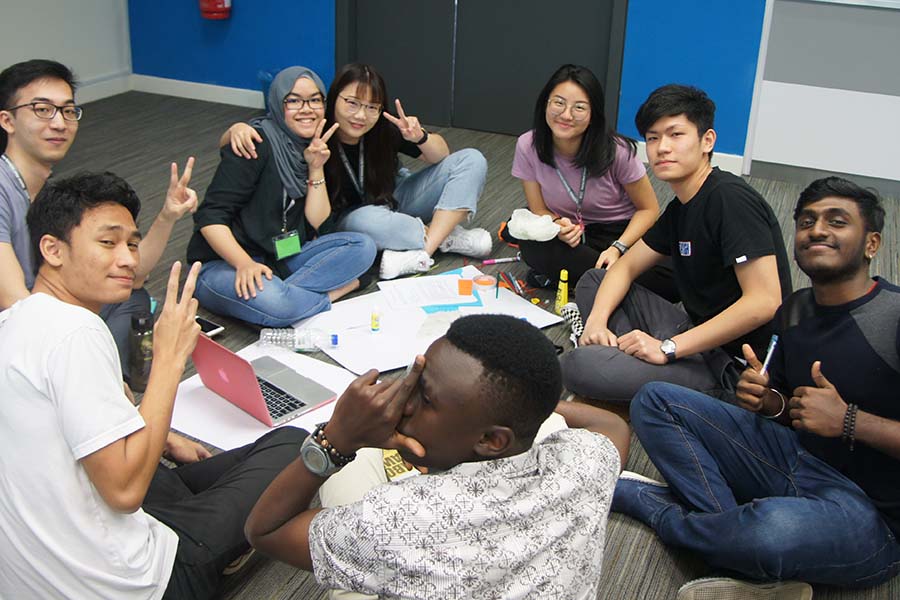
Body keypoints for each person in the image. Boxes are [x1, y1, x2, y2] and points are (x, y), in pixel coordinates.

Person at [0, 171, 308, 599]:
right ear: (52, 249)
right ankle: (218, 551)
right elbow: (125, 492)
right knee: (294, 444)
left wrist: (163, 439)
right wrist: (168, 358)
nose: (128, 259)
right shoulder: (76, 334)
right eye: (108, 243)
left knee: (168, 469)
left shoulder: (15, 321)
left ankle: (191, 505)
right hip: (139, 584)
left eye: (131, 243)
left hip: (38, 574)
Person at [615, 177, 900, 596]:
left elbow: (839, 422)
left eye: (836, 221)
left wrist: (849, 421)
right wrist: (769, 402)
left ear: (872, 244)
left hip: (873, 516)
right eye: (807, 221)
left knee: (768, 533)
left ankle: (659, 508)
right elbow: (788, 412)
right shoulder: (796, 309)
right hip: (796, 461)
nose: (817, 230)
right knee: (655, 400)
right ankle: (731, 538)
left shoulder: (893, 317)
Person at [244, 314, 631, 599]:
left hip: (411, 529)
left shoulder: (396, 521)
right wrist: (529, 410)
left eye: (423, 398)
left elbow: (265, 531)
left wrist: (336, 439)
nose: (399, 403)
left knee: (356, 467)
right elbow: (613, 426)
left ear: (493, 440)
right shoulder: (585, 465)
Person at [561, 84, 791, 404]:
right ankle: (626, 362)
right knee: (594, 280)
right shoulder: (682, 206)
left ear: (707, 141)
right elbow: (626, 265)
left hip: (732, 365)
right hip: (695, 333)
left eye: (675, 135)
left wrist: (667, 348)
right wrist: (597, 321)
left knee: (576, 365)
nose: (662, 148)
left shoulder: (729, 199)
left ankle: (638, 373)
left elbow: (765, 301)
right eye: (653, 138)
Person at [0, 59, 197, 380]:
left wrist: (167, 215)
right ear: (7, 121)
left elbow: (132, 274)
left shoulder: (51, 194)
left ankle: (103, 379)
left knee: (132, 296)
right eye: (42, 110)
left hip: (51, 311)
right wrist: (81, 340)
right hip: (18, 337)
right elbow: (15, 304)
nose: (60, 123)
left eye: (67, 110)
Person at [225, 63, 491, 280]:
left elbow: (442, 155)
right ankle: (445, 233)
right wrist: (236, 129)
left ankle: (426, 248)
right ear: (333, 98)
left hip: (395, 200)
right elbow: (266, 130)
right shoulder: (316, 130)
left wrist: (418, 136)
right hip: (349, 219)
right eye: (352, 103)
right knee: (366, 221)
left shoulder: (383, 128)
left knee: (472, 159)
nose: (361, 116)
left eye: (371, 107)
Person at [188, 66, 376, 326]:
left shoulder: (317, 145)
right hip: (226, 263)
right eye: (294, 101)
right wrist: (244, 264)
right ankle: (324, 295)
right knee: (279, 303)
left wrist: (315, 165)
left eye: (314, 100)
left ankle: (276, 305)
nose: (306, 108)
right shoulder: (254, 142)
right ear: (278, 103)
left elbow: (317, 222)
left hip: (280, 255)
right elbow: (210, 217)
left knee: (363, 247)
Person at [506, 64, 675, 299]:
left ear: (593, 113)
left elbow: (649, 210)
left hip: (619, 231)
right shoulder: (528, 145)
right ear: (545, 103)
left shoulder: (617, 151)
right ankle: (612, 284)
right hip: (568, 231)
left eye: (579, 107)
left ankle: (582, 279)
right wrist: (559, 226)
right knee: (531, 242)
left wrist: (618, 247)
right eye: (558, 103)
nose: (566, 115)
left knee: (671, 279)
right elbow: (538, 209)